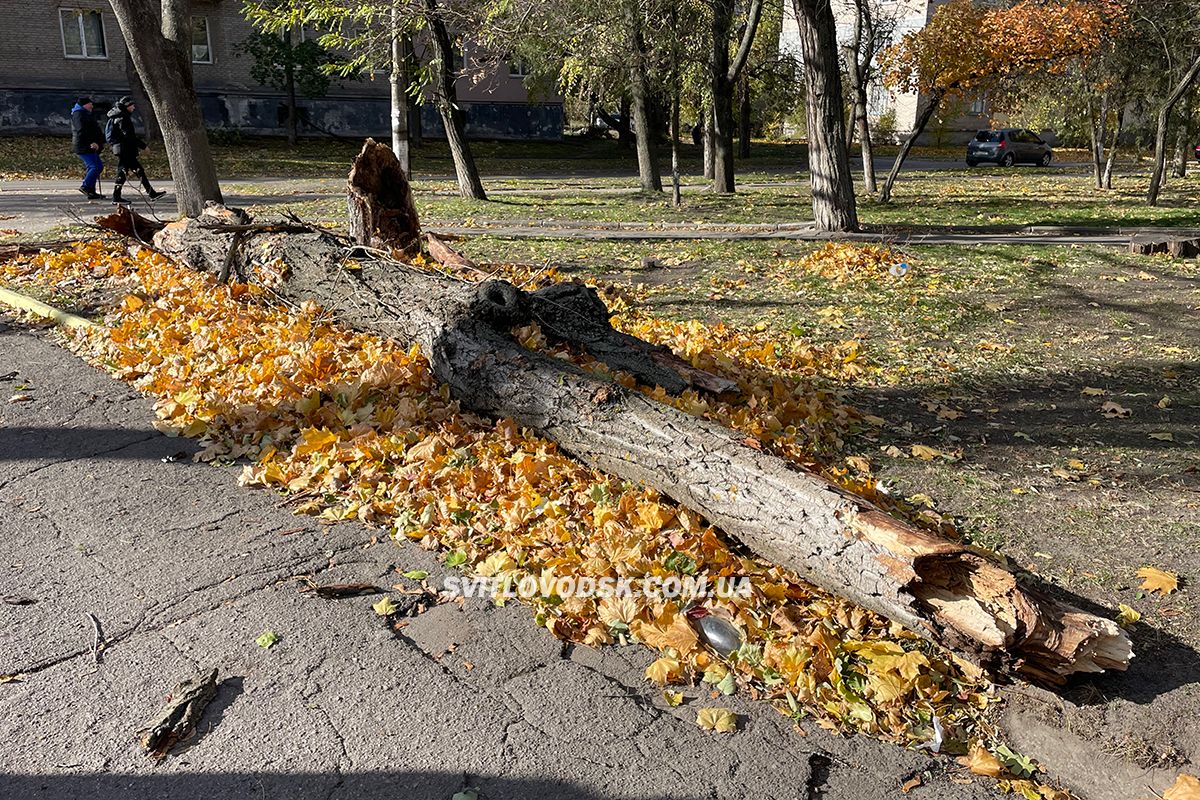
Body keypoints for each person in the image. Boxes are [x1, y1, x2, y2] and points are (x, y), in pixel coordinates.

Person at [105, 96, 167, 205]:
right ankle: (117, 196)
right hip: (124, 149)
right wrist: (143, 146)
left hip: (122, 148)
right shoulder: (122, 118)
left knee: (133, 171)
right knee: (126, 171)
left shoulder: (119, 115)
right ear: (127, 106)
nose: (134, 107)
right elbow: (129, 136)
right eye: (132, 105)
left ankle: (150, 193)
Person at [70, 97, 105, 200]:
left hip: (88, 145)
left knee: (94, 166)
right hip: (84, 145)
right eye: (90, 104)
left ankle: (91, 191)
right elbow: (81, 130)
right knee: (96, 166)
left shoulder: (84, 113)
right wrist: (92, 142)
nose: (92, 106)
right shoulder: (78, 114)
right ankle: (85, 186)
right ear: (84, 105)